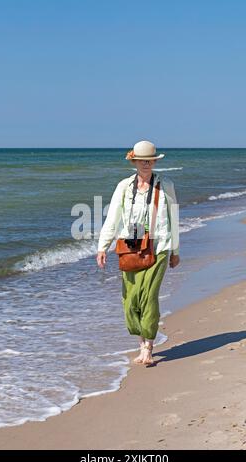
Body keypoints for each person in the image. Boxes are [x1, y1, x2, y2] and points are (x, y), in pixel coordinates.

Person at [97, 140, 180, 365]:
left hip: (159, 247)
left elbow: (173, 218)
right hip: (130, 249)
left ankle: (149, 348)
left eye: (150, 160)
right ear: (134, 162)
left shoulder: (166, 185)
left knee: (149, 296)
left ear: (154, 161)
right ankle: (140, 342)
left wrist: (175, 250)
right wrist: (102, 247)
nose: (146, 164)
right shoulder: (124, 186)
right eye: (142, 160)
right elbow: (112, 218)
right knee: (131, 299)